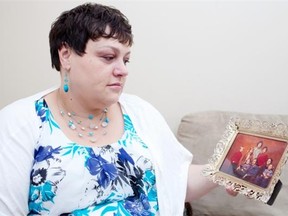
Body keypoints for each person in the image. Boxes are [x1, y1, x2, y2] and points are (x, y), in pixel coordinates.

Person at [0, 3, 235, 215]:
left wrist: (223, 170)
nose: (123, 70)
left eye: (126, 60)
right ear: (66, 55)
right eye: (109, 57)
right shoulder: (18, 123)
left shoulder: (141, 112)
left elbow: (175, 184)